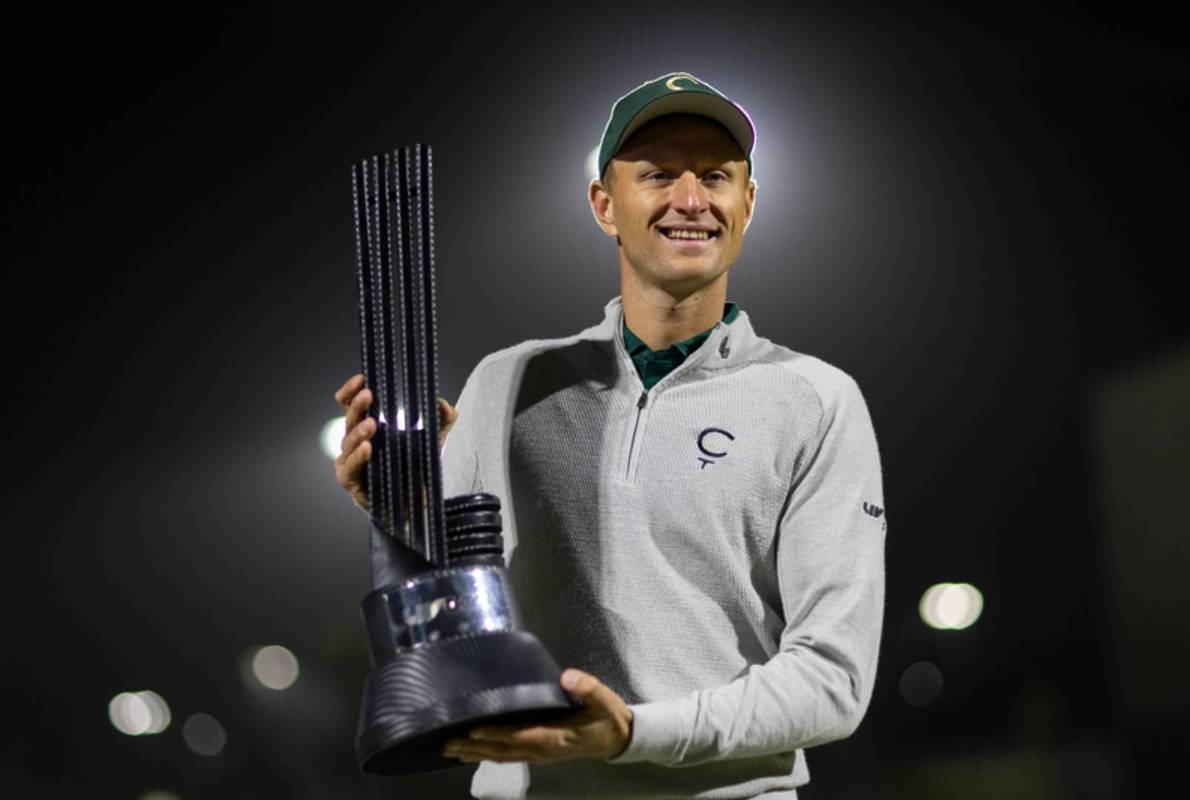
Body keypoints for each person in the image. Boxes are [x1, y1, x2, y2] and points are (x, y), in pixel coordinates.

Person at [333, 72, 886, 800]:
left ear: (747, 204)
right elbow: (452, 628)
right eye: (657, 174)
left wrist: (631, 734)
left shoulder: (816, 400)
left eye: (714, 177)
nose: (690, 200)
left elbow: (833, 681)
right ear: (604, 204)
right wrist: (400, 518)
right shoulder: (506, 381)